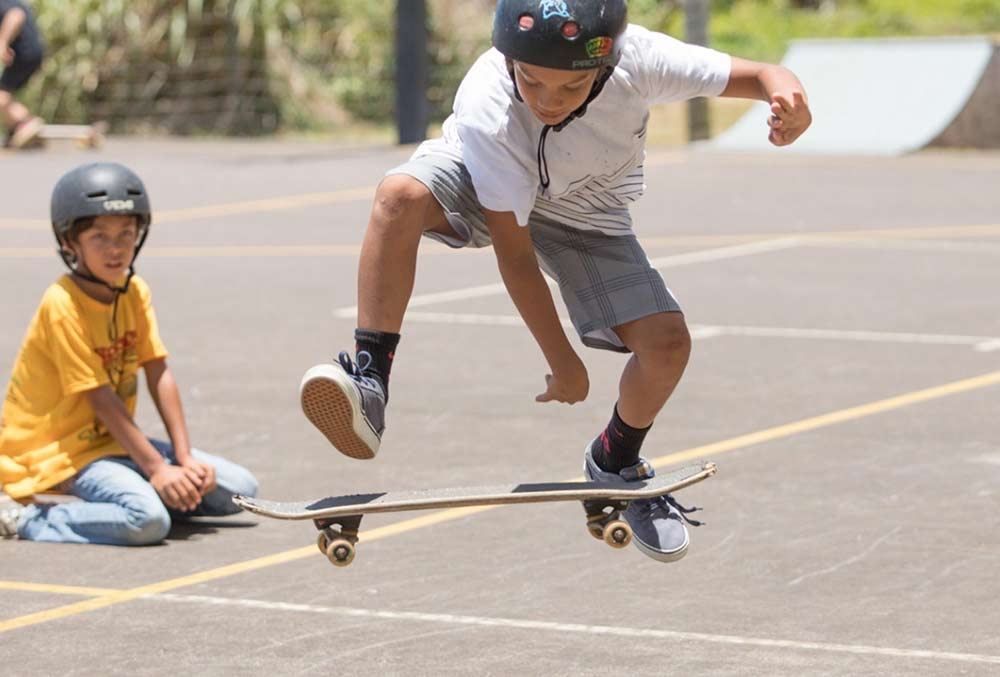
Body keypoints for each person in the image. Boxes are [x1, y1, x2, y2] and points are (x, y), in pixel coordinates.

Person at [299, 0, 812, 562]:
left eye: (570, 88)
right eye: (532, 81)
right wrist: (563, 360)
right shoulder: (489, 102)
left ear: (607, 64)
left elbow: (763, 75)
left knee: (667, 345)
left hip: (588, 215)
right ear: (509, 60)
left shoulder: (644, 58)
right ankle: (371, 379)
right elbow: (513, 253)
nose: (547, 100)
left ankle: (616, 458)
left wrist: (789, 99)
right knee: (400, 196)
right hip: (483, 180)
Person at [0, 162, 258, 544]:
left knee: (240, 488)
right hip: (57, 454)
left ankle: (144, 491)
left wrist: (184, 460)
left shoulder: (133, 290)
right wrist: (156, 468)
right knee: (146, 520)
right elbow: (99, 396)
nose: (116, 247)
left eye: (126, 233)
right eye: (99, 237)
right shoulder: (62, 303)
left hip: (111, 443)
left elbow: (158, 370)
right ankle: (24, 518)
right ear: (70, 242)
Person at [0, 0, 44, 148]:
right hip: (31, 52)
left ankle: (25, 123)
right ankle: (16, 128)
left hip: (24, 54)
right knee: (4, 92)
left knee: (1, 95)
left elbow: (15, 16)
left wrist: (2, 42)